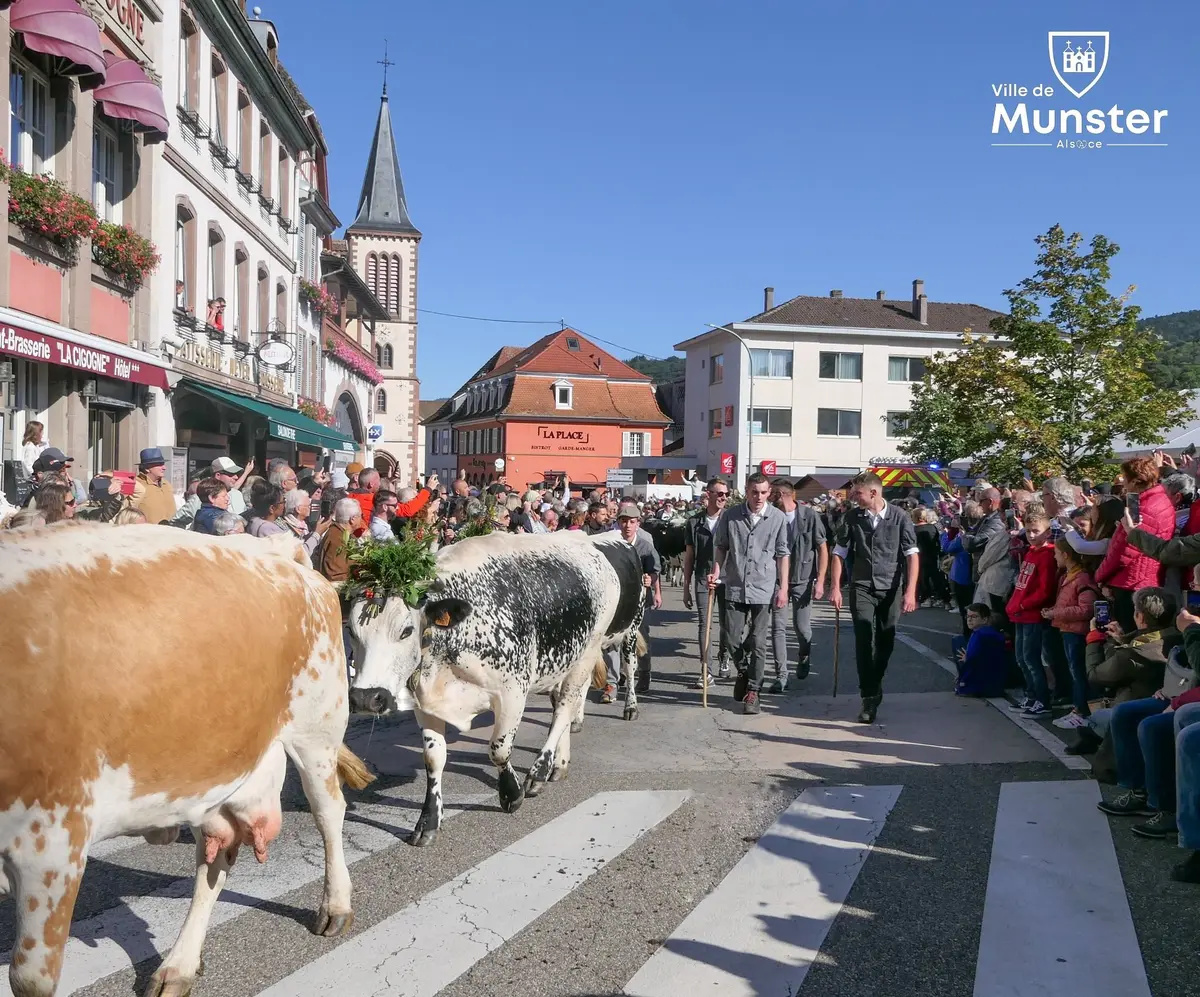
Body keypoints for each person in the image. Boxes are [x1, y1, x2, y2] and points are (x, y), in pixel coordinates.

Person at [829, 471, 919, 724]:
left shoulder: (899, 517)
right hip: (862, 586)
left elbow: (912, 554)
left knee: (885, 642)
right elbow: (839, 552)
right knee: (863, 638)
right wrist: (835, 587)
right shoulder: (852, 517)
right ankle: (868, 697)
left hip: (891, 586)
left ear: (873, 492)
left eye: (857, 493)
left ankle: (875, 684)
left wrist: (911, 591)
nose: (853, 497)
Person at [708, 472, 790, 715]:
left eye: (763, 492)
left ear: (769, 493)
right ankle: (743, 670)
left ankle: (754, 691)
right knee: (731, 638)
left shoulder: (777, 518)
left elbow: (783, 554)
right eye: (754, 492)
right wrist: (716, 571)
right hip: (735, 584)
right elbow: (721, 546)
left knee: (758, 642)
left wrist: (783, 587)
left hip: (764, 587)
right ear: (746, 491)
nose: (759, 497)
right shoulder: (731, 516)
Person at [600, 502, 661, 703]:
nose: (627, 526)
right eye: (624, 521)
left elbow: (655, 569)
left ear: (638, 524)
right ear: (618, 523)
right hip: (616, 602)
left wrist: (650, 579)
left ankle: (644, 672)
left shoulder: (645, 546)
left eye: (632, 522)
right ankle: (612, 683)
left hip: (640, 601)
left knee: (641, 638)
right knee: (611, 642)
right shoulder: (611, 545)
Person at [772, 478, 828, 688]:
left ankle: (804, 654)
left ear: (781, 494)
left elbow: (823, 548)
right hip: (777, 579)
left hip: (803, 579)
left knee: (802, 628)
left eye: (772, 494)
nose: (769, 498)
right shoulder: (771, 516)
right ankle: (781, 676)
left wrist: (821, 581)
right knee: (778, 627)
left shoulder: (810, 516)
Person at [1005, 503, 1057, 716]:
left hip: (1032, 614)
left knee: (1031, 658)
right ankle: (1031, 695)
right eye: (1028, 531)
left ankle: (1042, 700)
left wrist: (1024, 604)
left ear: (1048, 532)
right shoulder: (1030, 553)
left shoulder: (1046, 555)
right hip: (1020, 614)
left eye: (1037, 531)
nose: (1032, 535)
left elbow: (1045, 590)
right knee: (1021, 658)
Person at [682, 476, 731, 688]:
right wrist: (686, 586)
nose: (723, 497)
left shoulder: (731, 520)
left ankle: (724, 654)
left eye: (726, 494)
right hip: (703, 577)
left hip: (728, 578)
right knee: (705, 624)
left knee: (728, 625)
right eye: (719, 493)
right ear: (708, 494)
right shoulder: (694, 522)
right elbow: (689, 556)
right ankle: (706, 671)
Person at [954, 603, 1008, 697]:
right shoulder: (990, 632)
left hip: (981, 685)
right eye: (968, 616)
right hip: (996, 683)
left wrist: (963, 677)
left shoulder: (979, 635)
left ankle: (965, 683)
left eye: (974, 617)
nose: (969, 620)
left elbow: (973, 659)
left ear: (984, 619)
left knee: (957, 641)